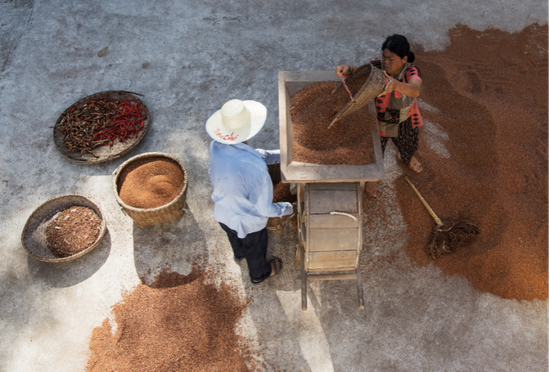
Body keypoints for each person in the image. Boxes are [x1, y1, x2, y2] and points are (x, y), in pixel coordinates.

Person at [207, 99, 293, 284]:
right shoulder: (256, 170)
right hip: (248, 222)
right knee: (255, 247)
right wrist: (286, 208)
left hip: (223, 212)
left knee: (233, 236)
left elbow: (251, 155)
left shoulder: (216, 146)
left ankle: (239, 254)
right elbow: (264, 209)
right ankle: (260, 273)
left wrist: (283, 154)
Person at [336, 34, 424, 197]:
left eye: (391, 58)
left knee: (409, 145)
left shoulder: (411, 71)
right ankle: (374, 176)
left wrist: (396, 85)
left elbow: (415, 89)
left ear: (404, 59)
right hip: (379, 123)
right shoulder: (377, 66)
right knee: (376, 152)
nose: (386, 61)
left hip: (405, 121)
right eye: (384, 56)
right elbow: (361, 72)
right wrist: (347, 69)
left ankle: (405, 157)